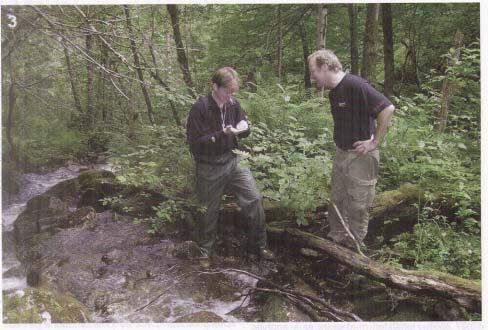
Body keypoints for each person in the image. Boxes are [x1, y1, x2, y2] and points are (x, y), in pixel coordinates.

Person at [186, 67, 274, 267]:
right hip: (209, 166)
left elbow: (244, 128)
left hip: (234, 160)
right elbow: (195, 143)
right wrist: (221, 134)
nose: (231, 96)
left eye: (233, 92)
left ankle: (259, 247)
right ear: (215, 87)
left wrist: (243, 128)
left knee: (254, 199)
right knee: (208, 210)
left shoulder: (233, 104)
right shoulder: (200, 108)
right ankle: (205, 252)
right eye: (228, 91)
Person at [308, 49, 395, 249]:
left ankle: (354, 247)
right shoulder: (334, 92)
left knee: (358, 204)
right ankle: (336, 240)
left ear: (325, 66)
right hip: (342, 153)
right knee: (337, 199)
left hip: (361, 156)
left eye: (314, 72)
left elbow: (387, 108)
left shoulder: (355, 85)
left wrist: (374, 142)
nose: (312, 77)